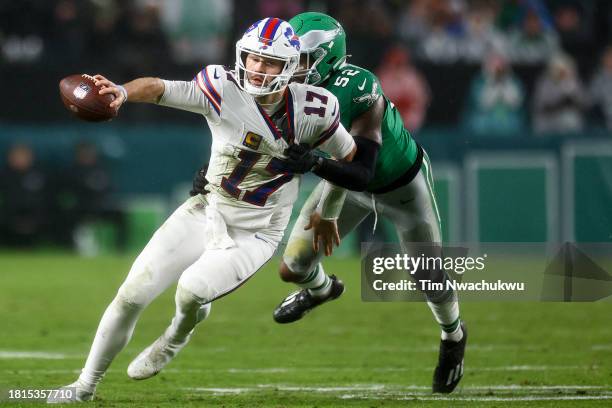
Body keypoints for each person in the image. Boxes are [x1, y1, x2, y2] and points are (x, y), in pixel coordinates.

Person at [48, 17, 357, 403]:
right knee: (131, 293)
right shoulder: (221, 87)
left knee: (192, 291)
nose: (259, 69)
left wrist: (319, 176)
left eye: (271, 62)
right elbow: (161, 88)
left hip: (255, 232)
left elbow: (348, 157)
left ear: (291, 67)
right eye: (253, 59)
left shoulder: (315, 109)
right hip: (206, 209)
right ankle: (84, 386)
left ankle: (177, 334)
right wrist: (122, 93)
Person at [271, 12, 466, 394]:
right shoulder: (287, 92)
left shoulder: (359, 87)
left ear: (326, 59)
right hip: (342, 180)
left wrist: (326, 210)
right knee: (293, 266)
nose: (291, 68)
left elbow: (358, 168)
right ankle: (322, 290)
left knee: (427, 275)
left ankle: (453, 336)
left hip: (400, 187)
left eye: (301, 59)